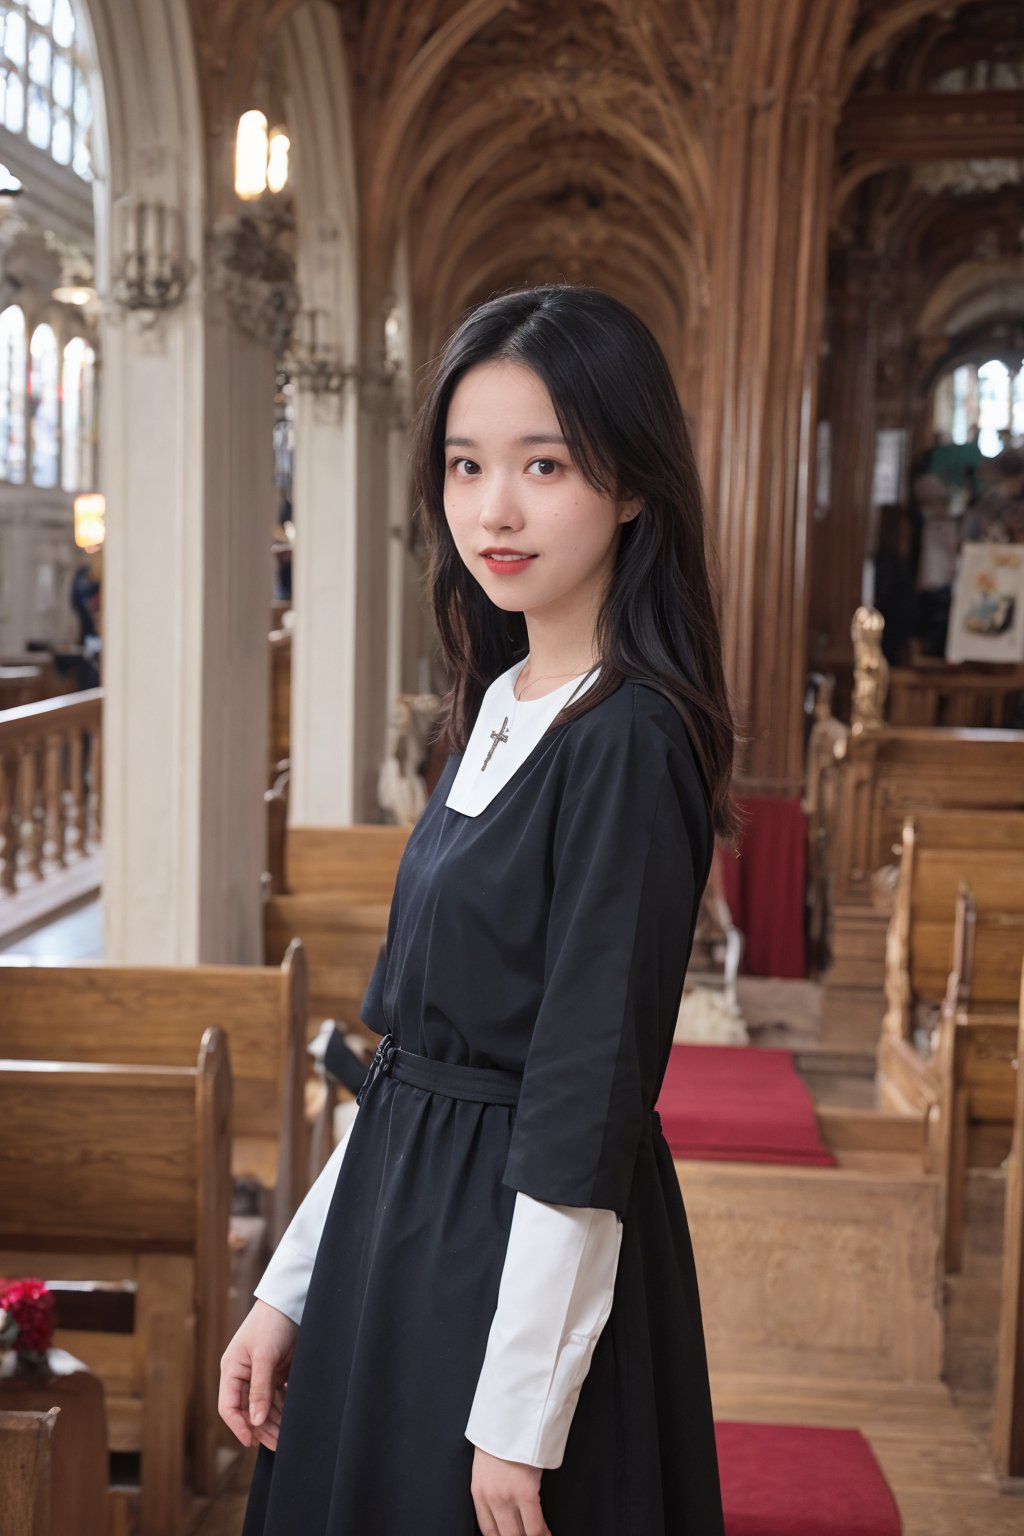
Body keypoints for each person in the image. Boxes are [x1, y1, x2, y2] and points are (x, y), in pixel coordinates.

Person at [221, 284, 739, 1536]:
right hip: (395, 1233)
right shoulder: (501, 700)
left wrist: (518, 1416)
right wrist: (292, 1286)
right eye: (465, 465)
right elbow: (405, 1053)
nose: (492, 509)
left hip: (513, 1262)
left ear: (629, 485)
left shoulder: (629, 740)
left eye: (543, 464)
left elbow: (585, 1096)